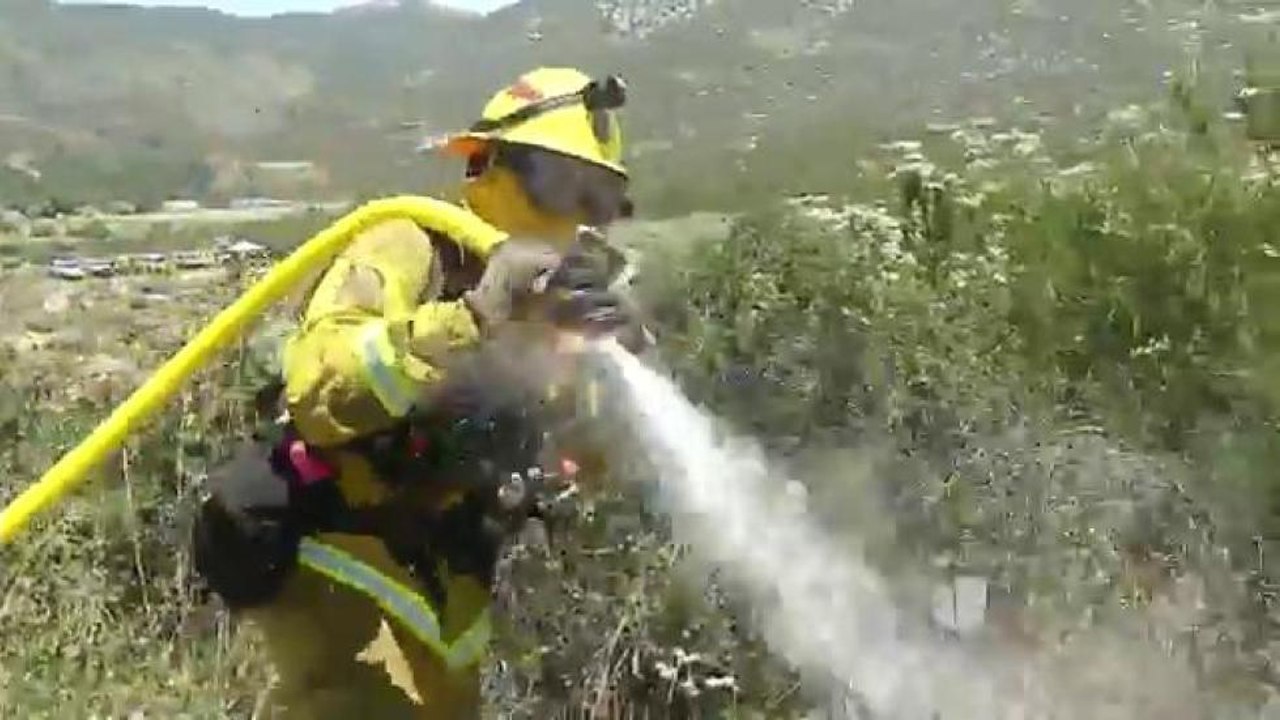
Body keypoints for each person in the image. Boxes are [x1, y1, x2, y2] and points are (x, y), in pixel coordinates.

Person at [192, 67, 644, 719]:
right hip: (342, 545)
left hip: (450, 573)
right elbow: (322, 389)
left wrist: (616, 371)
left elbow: (586, 460)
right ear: (485, 169)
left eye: (597, 199)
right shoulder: (408, 243)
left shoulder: (551, 308)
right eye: (559, 186)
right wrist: (476, 314)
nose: (576, 216)